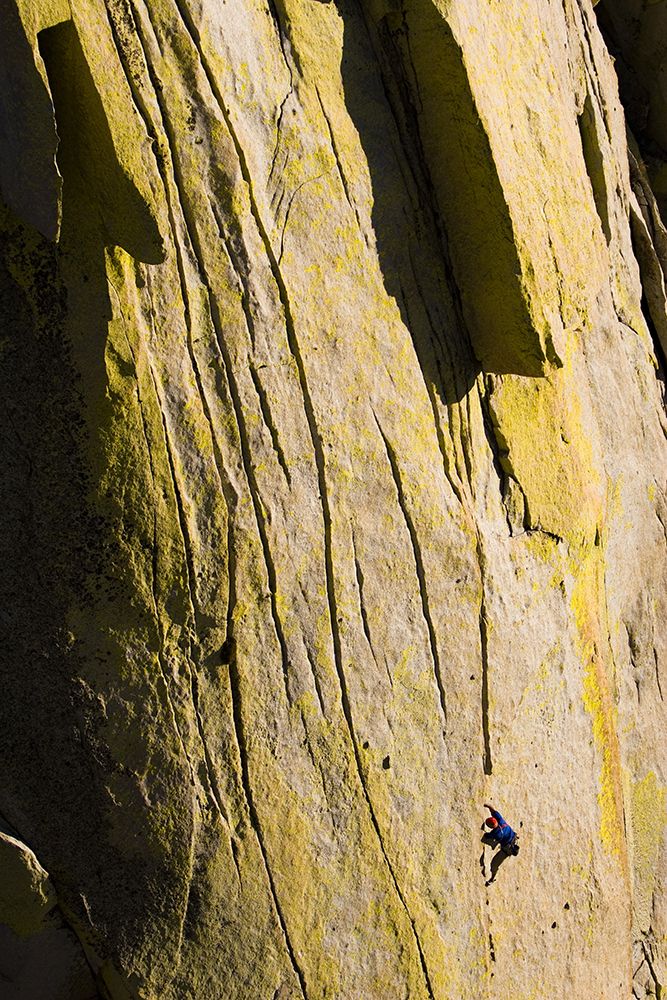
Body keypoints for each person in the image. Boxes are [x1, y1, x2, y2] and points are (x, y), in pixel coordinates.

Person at [481, 803, 519, 885]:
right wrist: (488, 806)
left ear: (491, 827)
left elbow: (487, 836)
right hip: (513, 839)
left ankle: (492, 879)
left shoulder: (497, 833)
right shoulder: (501, 820)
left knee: (494, 864)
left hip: (507, 849)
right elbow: (493, 810)